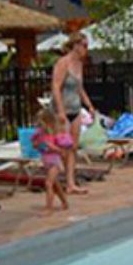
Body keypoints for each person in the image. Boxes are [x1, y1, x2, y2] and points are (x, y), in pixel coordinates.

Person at [50, 33, 99, 195]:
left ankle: (71, 183)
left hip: (75, 109)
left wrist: (89, 105)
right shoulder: (63, 63)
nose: (86, 49)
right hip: (62, 110)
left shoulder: (79, 64)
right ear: (75, 46)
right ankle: (59, 179)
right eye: (84, 45)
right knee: (64, 147)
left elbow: (80, 88)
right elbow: (56, 87)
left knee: (73, 147)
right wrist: (61, 111)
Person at [31, 108, 70, 212]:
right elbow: (34, 144)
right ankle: (65, 202)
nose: (39, 125)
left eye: (41, 122)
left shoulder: (55, 133)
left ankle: (49, 207)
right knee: (55, 184)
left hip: (54, 161)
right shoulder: (40, 133)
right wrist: (38, 143)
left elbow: (62, 149)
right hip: (46, 160)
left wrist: (53, 147)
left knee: (48, 183)